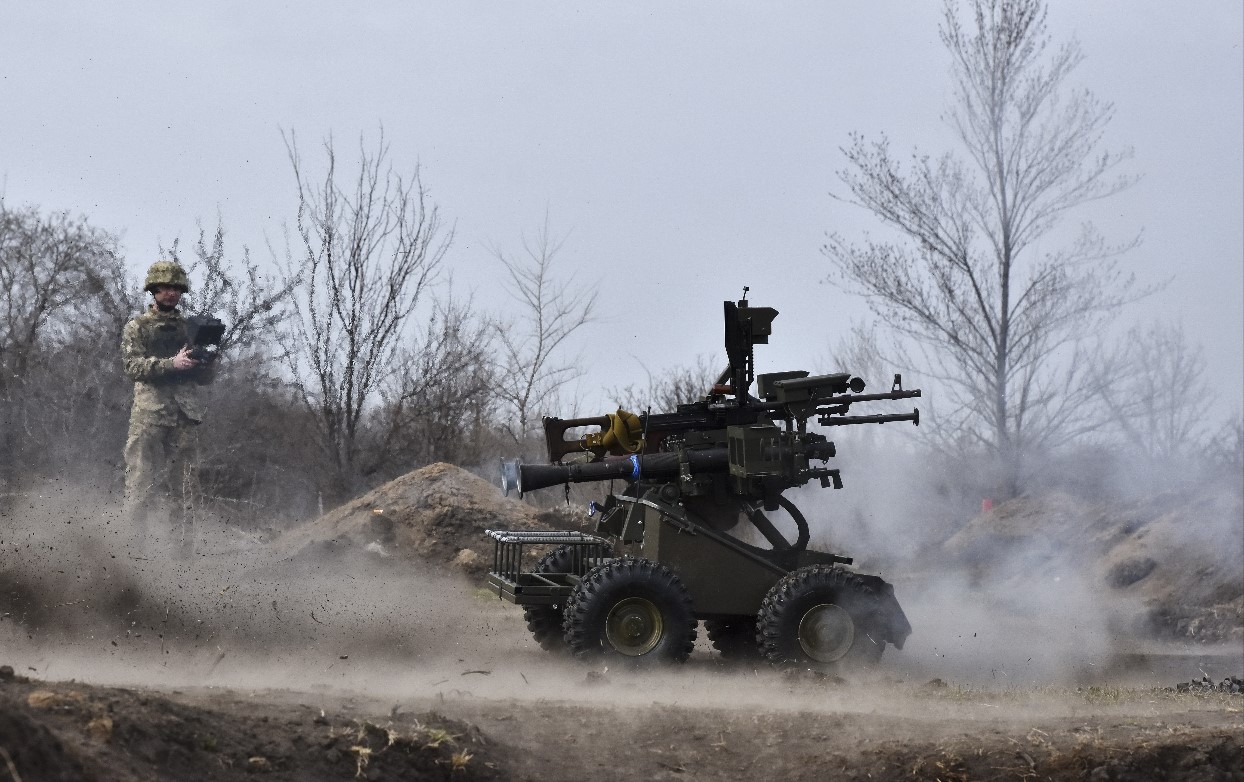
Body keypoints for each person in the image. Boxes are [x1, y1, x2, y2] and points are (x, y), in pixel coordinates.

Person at [120, 260, 215, 557]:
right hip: (150, 414)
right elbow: (132, 366)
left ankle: (182, 558)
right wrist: (170, 364)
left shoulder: (190, 328)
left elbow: (205, 380)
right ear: (153, 289)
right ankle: (131, 556)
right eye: (165, 287)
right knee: (140, 484)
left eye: (176, 288)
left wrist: (206, 362)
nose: (171, 293)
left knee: (186, 491)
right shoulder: (138, 327)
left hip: (184, 416)